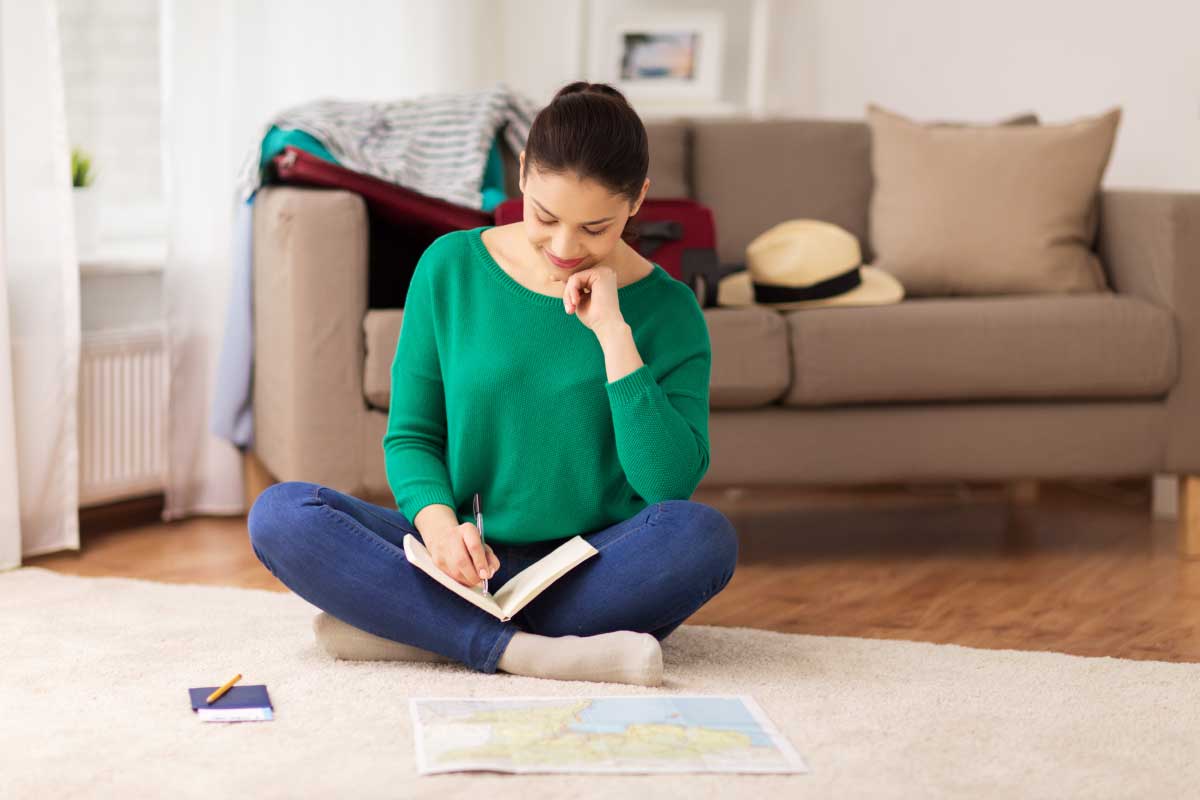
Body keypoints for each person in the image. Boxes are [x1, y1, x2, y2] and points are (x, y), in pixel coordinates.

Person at [247, 81, 738, 686]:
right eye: (546, 217)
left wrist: (614, 333)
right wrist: (437, 528)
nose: (565, 247)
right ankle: (524, 650)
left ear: (637, 200)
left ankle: (426, 633)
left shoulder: (671, 311)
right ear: (524, 172)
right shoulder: (450, 267)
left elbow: (667, 486)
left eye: (595, 228)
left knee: (704, 539)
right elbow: (412, 436)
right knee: (282, 514)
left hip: (590, 567)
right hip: (459, 555)